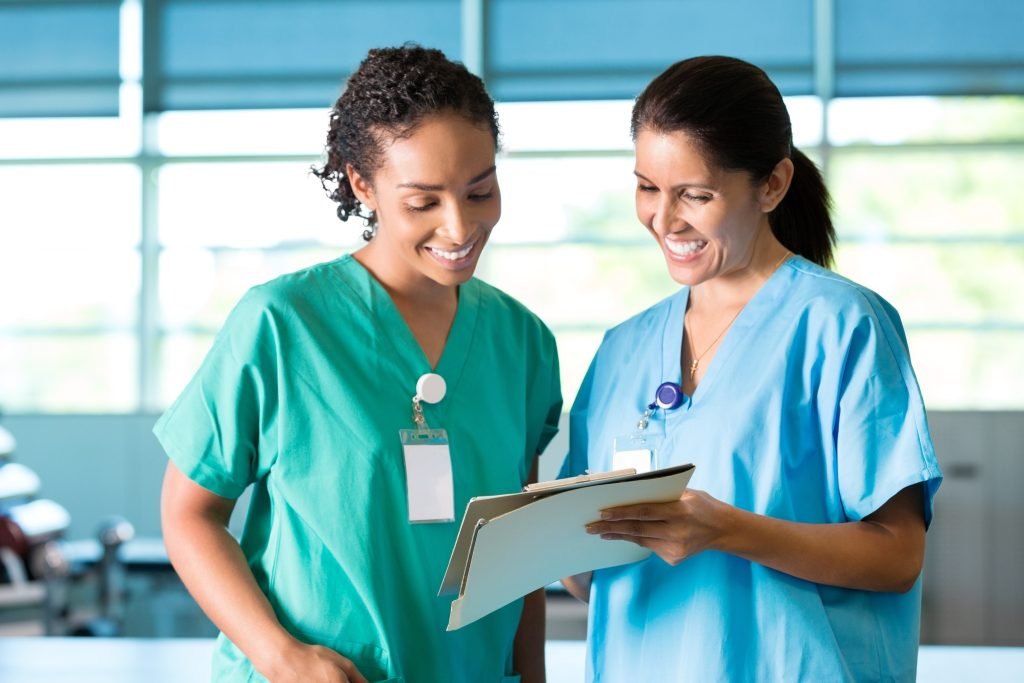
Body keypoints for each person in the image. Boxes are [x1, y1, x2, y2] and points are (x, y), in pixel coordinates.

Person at [157, 45, 561, 683]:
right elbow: (188, 513)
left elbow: (522, 545)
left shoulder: (523, 341)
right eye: (423, 202)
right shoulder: (282, 323)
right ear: (361, 184)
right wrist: (280, 656)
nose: (459, 228)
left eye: (479, 191)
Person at [560, 56, 942, 682]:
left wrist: (727, 530)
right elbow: (588, 579)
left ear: (772, 185)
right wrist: (551, 543)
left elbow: (898, 556)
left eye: (696, 195)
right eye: (648, 187)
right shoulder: (621, 350)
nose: (664, 219)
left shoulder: (842, 326)